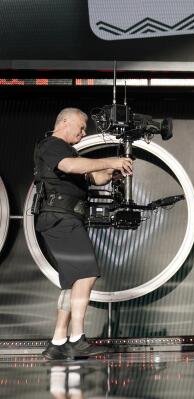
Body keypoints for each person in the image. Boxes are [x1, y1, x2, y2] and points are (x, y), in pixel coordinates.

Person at [35, 107, 133, 360]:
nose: (83, 132)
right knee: (87, 273)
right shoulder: (52, 145)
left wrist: (113, 170)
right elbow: (71, 166)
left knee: (72, 283)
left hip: (64, 219)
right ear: (64, 121)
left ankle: (57, 343)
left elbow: (95, 177)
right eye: (80, 126)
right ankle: (77, 338)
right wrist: (110, 160)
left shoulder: (70, 152)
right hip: (61, 218)